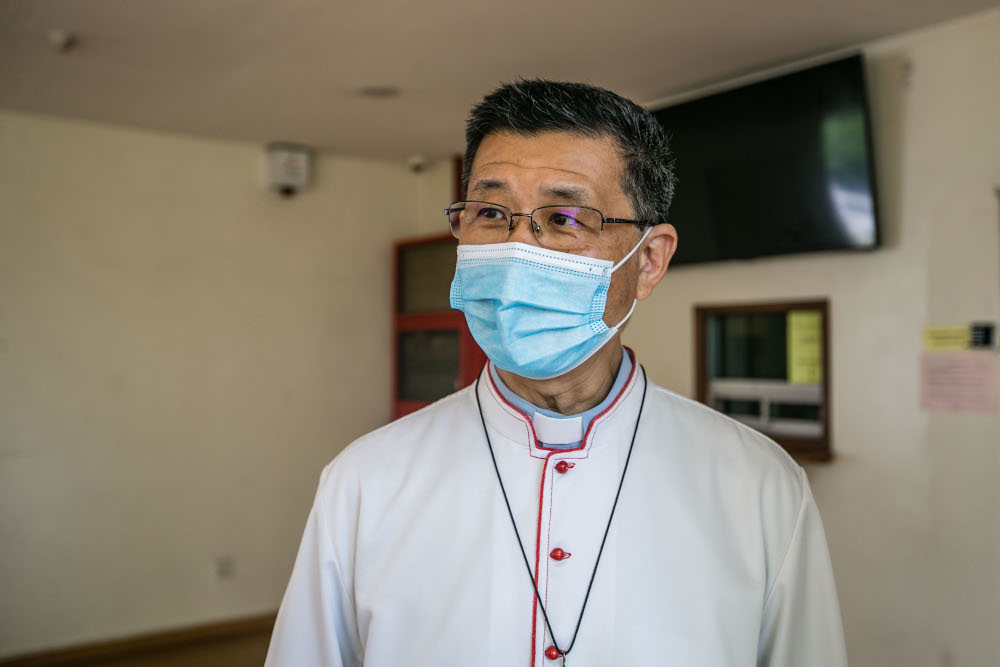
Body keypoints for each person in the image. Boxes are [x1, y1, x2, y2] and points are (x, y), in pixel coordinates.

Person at [264, 79, 848, 667]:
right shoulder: (366, 481)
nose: (519, 246)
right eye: (491, 212)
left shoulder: (758, 486)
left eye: (565, 216)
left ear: (648, 260)